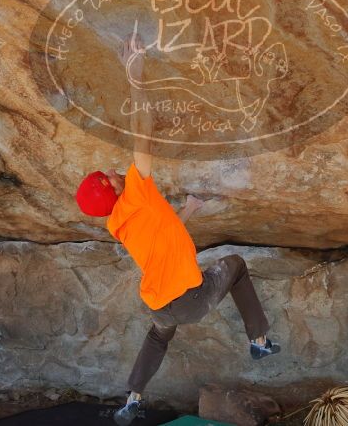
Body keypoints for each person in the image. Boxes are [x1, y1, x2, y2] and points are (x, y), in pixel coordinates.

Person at [74, 34, 281, 426]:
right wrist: (135, 74)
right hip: (189, 299)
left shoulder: (122, 223)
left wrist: (186, 212)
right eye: (111, 176)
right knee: (234, 264)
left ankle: (133, 398)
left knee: (157, 338)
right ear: (114, 188)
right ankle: (259, 341)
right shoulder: (136, 189)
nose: (116, 171)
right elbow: (144, 132)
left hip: (158, 301)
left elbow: (164, 237)